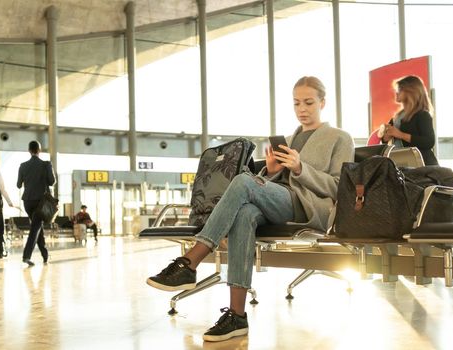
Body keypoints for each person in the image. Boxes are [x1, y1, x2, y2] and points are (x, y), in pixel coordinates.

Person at [146, 76, 354, 342]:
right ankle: (236, 315)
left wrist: (301, 168)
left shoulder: (340, 138)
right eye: (296, 103)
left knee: (243, 180)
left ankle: (191, 260)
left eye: (309, 102)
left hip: (310, 207)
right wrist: (272, 171)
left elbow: (339, 188)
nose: (302, 109)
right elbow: (274, 185)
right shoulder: (290, 139)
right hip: (282, 201)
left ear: (323, 103)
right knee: (244, 214)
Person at [380, 75, 438, 165]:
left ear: (410, 92)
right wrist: (386, 137)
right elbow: (385, 140)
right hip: (401, 162)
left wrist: (400, 135)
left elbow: (429, 141)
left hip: (421, 164)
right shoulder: (397, 117)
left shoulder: (422, 115)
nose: (396, 93)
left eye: (399, 90)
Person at [17, 140, 56, 267]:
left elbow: (18, 185)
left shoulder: (23, 165)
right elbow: (52, 182)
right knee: (35, 228)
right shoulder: (46, 164)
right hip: (41, 202)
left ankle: (45, 255)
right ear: (39, 150)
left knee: (37, 226)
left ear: (29, 151)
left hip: (27, 201)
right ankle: (26, 256)